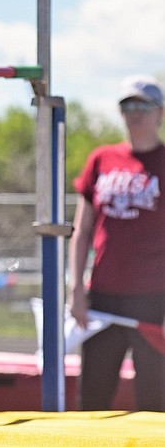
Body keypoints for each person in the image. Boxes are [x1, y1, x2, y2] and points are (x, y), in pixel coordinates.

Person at [69, 75, 165, 411]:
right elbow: (81, 231)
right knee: (93, 394)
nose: (134, 113)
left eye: (143, 105)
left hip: (153, 300)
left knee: (154, 398)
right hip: (103, 298)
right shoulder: (102, 159)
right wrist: (76, 288)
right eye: (127, 106)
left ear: (159, 114)